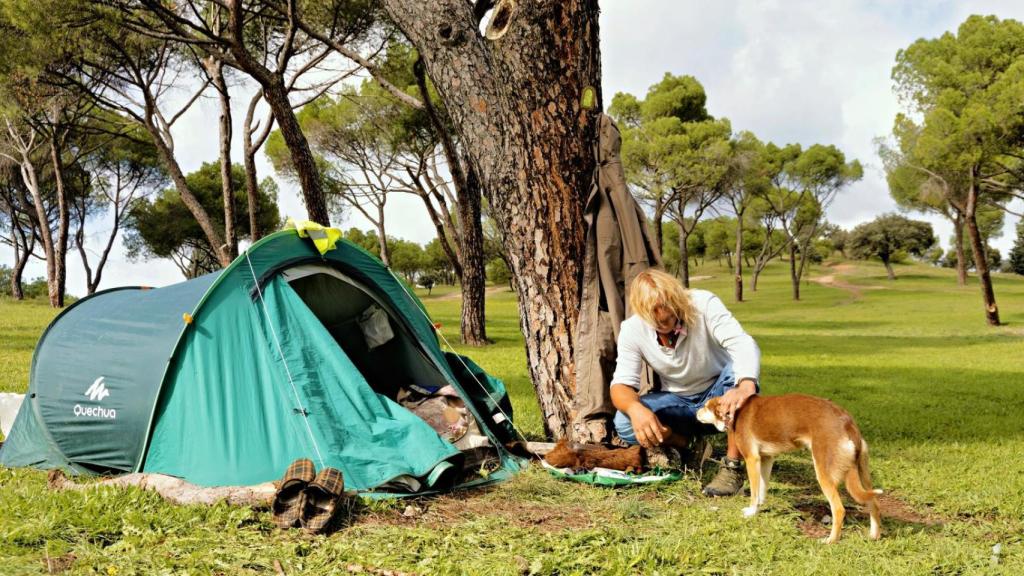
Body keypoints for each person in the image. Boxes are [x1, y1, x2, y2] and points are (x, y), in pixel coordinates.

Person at [610, 268, 760, 496]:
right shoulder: (632, 329)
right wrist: (635, 409)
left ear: (677, 298)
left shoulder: (704, 303)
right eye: (654, 317)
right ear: (641, 311)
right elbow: (621, 385)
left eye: (668, 313)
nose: (662, 319)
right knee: (624, 422)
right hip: (678, 401)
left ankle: (733, 467)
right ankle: (689, 446)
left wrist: (746, 386)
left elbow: (742, 343)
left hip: (720, 392)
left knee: (738, 370)